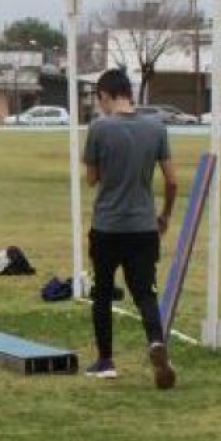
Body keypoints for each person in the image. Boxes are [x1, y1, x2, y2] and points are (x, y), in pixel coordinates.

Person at [82, 67, 179, 389]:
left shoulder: (100, 128)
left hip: (107, 226)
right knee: (145, 293)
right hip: (143, 226)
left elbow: (92, 178)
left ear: (105, 95)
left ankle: (105, 360)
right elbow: (172, 181)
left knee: (102, 293)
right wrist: (164, 216)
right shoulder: (156, 128)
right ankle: (156, 342)